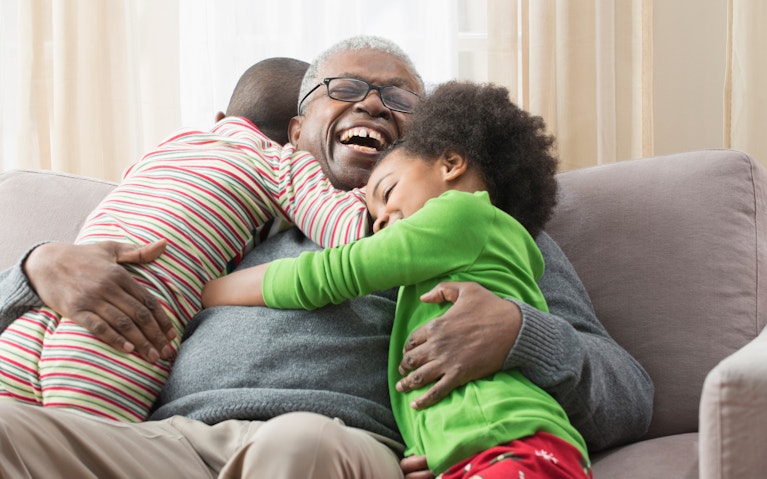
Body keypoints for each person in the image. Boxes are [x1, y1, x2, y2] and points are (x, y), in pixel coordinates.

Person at [0, 36, 652, 478]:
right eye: (345, 87)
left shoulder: (480, 227)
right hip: (164, 447)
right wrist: (33, 272)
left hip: (330, 445)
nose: (371, 103)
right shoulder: (220, 215)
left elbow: (629, 392)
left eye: (400, 99)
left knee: (297, 441)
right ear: (293, 129)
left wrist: (518, 333)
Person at [202, 80, 593, 478]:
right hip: (474, 452)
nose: (383, 223)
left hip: (513, 444)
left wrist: (208, 291)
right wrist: (438, 451)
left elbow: (333, 273)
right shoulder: (460, 257)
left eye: (387, 194)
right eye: (375, 219)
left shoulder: (463, 215)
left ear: (451, 164)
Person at [0, 56, 369, 422]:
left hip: (34, 317)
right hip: (125, 324)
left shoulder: (172, 145)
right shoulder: (281, 162)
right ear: (297, 133)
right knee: (82, 450)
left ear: (220, 120)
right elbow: (348, 231)